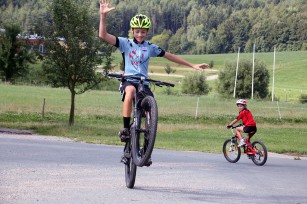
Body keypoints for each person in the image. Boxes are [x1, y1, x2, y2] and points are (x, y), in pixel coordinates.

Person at [99, 0, 209, 143]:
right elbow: (103, 35)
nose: (140, 34)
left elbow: (170, 56)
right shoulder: (125, 43)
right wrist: (103, 16)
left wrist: (192, 65)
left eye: (143, 31)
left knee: (150, 107)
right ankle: (126, 128)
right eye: (137, 31)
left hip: (143, 83)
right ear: (132, 31)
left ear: (147, 32)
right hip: (129, 80)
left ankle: (147, 143)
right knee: (130, 91)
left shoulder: (150, 47)